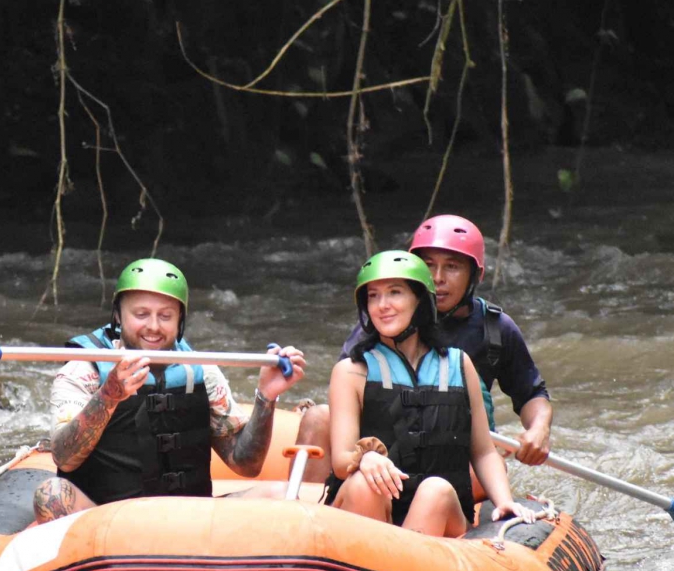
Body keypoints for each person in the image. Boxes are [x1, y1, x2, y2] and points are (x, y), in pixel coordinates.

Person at [32, 258, 305, 522]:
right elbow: (64, 459)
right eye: (141, 314)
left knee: (281, 494)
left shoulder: (200, 371)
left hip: (190, 517)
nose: (153, 326)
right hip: (108, 521)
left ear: (180, 320)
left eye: (165, 316)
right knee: (51, 496)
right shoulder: (84, 370)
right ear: (118, 314)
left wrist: (266, 397)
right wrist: (108, 396)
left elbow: (246, 464)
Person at [297, 213, 552, 485]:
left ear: (475, 275)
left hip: (454, 448)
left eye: (452, 267)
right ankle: (313, 516)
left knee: (474, 474)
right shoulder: (383, 323)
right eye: (428, 265)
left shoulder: (495, 329)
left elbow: (531, 394)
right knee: (319, 417)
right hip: (385, 445)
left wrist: (539, 428)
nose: (438, 278)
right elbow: (349, 398)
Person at [326, 250, 521, 537]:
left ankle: (408, 568)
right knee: (362, 483)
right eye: (373, 296)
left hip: (440, 515)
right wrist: (364, 458)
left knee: (436, 490)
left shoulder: (459, 364)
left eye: (395, 293)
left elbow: (482, 452)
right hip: (376, 512)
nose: (383, 305)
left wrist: (505, 503)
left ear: (420, 301)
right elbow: (342, 460)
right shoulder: (351, 371)